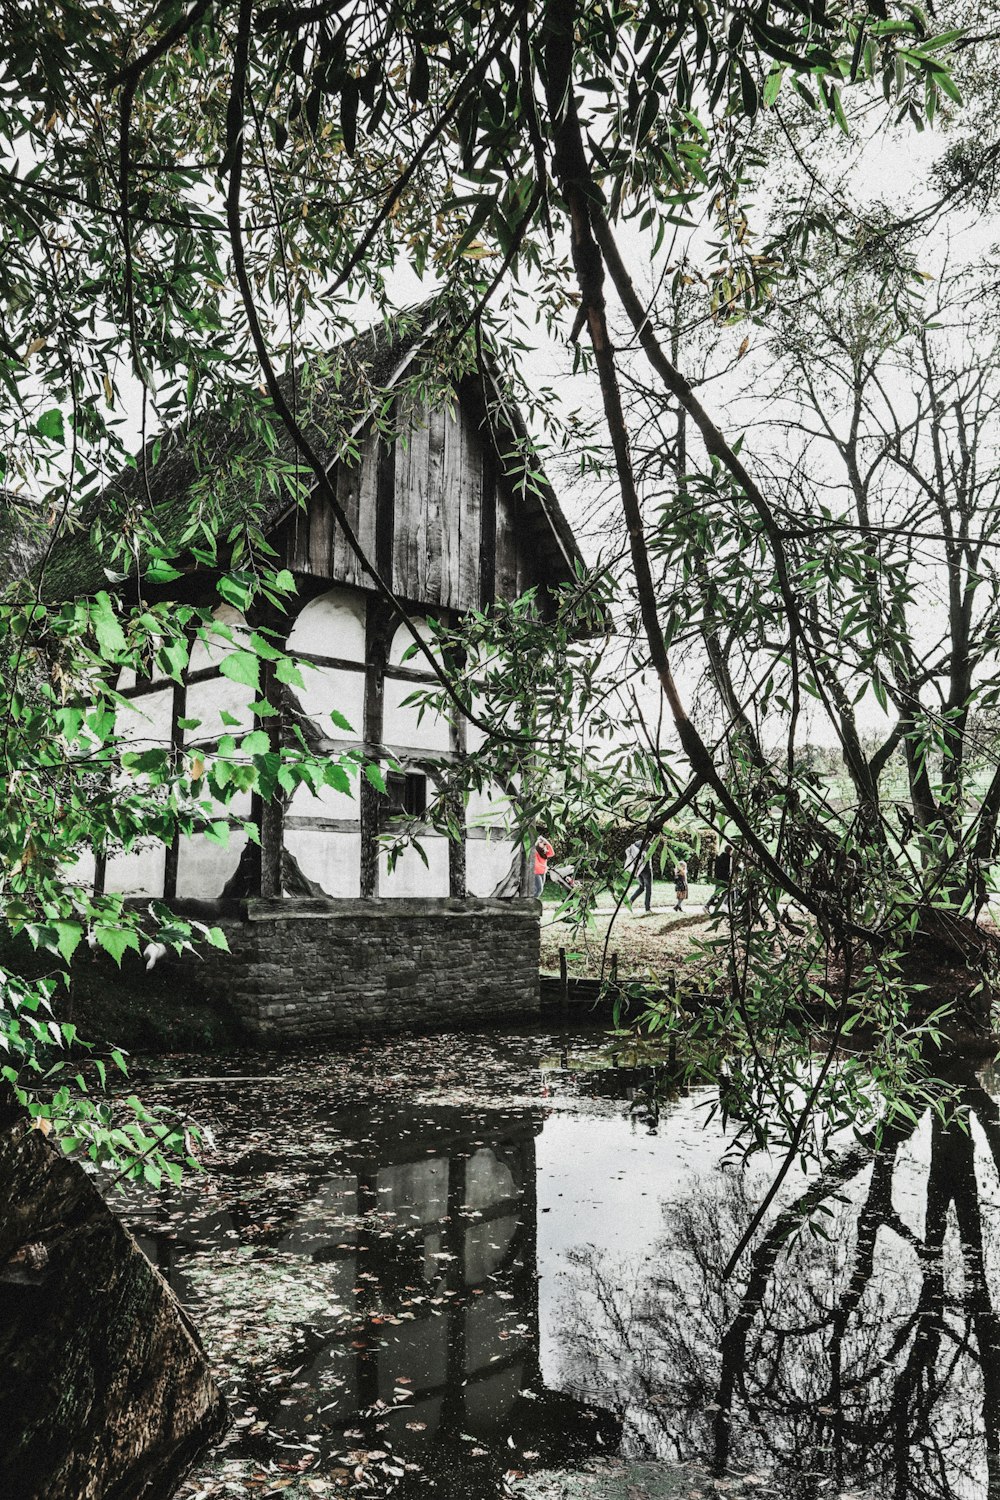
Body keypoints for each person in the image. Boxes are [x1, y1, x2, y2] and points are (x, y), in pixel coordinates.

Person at [625, 839, 653, 914]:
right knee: (648, 889)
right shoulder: (649, 845)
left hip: (638, 870)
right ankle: (647, 908)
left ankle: (631, 900)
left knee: (641, 887)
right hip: (646, 869)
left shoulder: (637, 843)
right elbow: (648, 857)